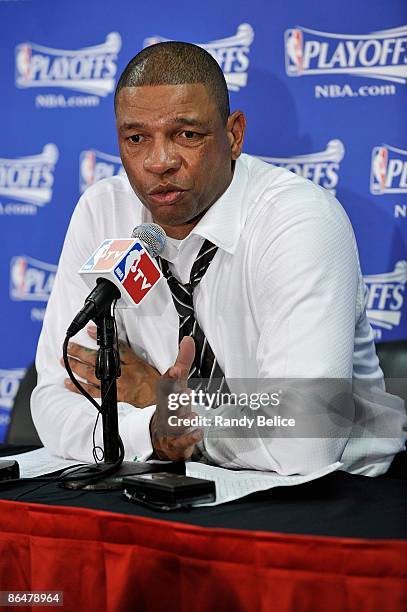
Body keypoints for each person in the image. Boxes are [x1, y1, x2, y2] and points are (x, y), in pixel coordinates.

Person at [31, 42, 406, 475]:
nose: (159, 161)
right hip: (177, 480)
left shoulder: (298, 220)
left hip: (336, 499)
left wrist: (166, 401)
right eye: (136, 139)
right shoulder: (102, 212)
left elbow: (306, 441)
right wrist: (151, 431)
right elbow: (56, 396)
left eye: (186, 134)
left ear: (233, 135)